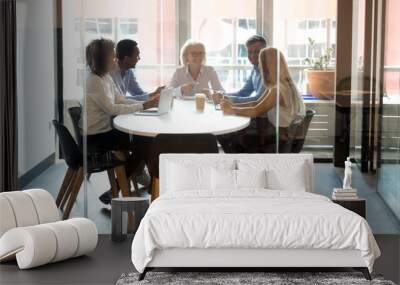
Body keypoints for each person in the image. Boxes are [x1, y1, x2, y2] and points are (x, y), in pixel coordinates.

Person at [80, 38, 159, 204]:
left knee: (144, 142)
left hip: (105, 131)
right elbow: (113, 109)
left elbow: (121, 99)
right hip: (96, 137)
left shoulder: (105, 77)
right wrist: (144, 106)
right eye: (112, 56)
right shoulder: (94, 81)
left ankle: (123, 187)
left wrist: (145, 104)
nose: (115, 59)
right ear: (103, 59)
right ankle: (146, 185)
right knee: (144, 143)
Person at [220, 47, 305, 152]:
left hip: (279, 142)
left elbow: (256, 111)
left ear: (266, 66)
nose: (259, 66)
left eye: (260, 62)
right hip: (283, 137)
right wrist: (232, 106)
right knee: (236, 135)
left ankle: (239, 163)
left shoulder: (277, 90)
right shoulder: (283, 84)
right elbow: (256, 102)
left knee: (228, 137)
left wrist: (232, 109)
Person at [211, 35, 267, 104]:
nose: (252, 55)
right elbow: (243, 93)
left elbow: (257, 100)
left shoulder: (269, 72)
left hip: (268, 114)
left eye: (256, 52)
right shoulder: (255, 69)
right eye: (250, 52)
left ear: (265, 52)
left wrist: (224, 98)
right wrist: (222, 96)